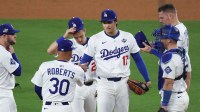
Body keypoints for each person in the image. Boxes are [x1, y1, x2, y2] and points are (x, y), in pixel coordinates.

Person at [79, 9, 151, 112]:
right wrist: (81, 68)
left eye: (109, 22)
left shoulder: (128, 37)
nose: (107, 25)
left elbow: (138, 59)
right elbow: (85, 60)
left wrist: (147, 79)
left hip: (123, 84)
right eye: (104, 22)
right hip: (104, 85)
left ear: (116, 21)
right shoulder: (95, 39)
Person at [47, 17, 97, 112]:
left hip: (92, 86)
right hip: (76, 88)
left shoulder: (94, 43)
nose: (79, 39)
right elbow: (50, 51)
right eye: (76, 37)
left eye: (81, 36)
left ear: (84, 30)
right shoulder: (68, 45)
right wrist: (65, 36)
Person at [141, 3, 191, 91]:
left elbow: (173, 58)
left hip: (173, 78)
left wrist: (152, 51)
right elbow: (168, 46)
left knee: (168, 101)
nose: (160, 21)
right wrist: (153, 44)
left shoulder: (178, 32)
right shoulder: (178, 29)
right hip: (174, 73)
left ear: (170, 16)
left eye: (162, 18)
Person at [31, 39, 85, 112]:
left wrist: (47, 100)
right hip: (65, 108)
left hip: (48, 108)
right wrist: (81, 69)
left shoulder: (44, 65)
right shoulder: (77, 69)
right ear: (70, 53)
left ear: (57, 52)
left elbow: (37, 88)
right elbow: (82, 82)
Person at [153, 25, 190, 112]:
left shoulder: (168, 58)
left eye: (162, 38)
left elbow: (169, 83)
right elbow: (188, 76)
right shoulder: (183, 53)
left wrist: (164, 106)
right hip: (183, 97)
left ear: (169, 40)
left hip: (173, 102)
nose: (160, 40)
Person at [0, 23, 22, 112]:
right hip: (4, 96)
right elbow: (18, 71)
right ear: (4, 36)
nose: (15, 36)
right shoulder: (3, 53)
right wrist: (13, 54)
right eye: (12, 34)